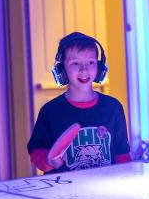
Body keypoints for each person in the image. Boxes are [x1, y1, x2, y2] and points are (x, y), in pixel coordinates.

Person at [27, 32, 131, 173]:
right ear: (61, 70)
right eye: (75, 63)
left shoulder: (113, 108)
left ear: (100, 68)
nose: (84, 69)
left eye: (91, 62)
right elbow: (36, 152)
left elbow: (122, 155)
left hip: (105, 190)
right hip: (63, 192)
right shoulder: (50, 111)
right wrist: (49, 160)